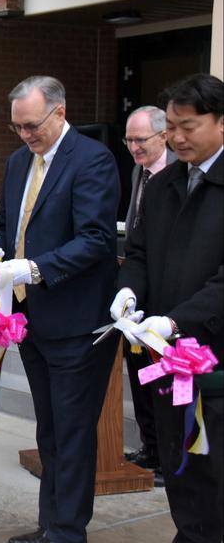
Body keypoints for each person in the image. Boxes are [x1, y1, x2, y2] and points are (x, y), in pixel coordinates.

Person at [0, 76, 120, 543]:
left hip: (77, 321)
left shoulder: (92, 160)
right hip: (32, 319)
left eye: (32, 125)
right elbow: (7, 224)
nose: (25, 135)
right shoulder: (17, 163)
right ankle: (51, 526)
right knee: (49, 431)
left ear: (60, 113)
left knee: (72, 432)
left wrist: (37, 268)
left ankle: (67, 532)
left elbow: (97, 239)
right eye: (17, 127)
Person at [114, 73, 223, 543]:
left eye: (189, 126)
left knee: (214, 465)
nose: (177, 137)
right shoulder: (160, 186)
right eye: (172, 126)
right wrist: (130, 291)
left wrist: (179, 319)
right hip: (163, 356)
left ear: (220, 122)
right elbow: (138, 252)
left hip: (213, 358)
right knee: (178, 462)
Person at [120, 105, 175, 475]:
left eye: (141, 140)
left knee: (165, 381)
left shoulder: (177, 176)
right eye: (129, 140)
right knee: (140, 374)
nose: (134, 147)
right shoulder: (138, 173)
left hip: (169, 301)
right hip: (137, 294)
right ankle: (150, 447)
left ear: (163, 136)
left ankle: (169, 453)